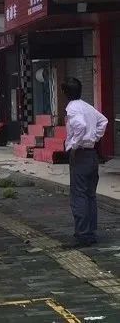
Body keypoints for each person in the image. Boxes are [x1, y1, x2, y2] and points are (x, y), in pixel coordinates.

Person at [62, 77, 108, 247]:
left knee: (79, 195)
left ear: (65, 92)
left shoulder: (72, 108)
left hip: (80, 154)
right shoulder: (87, 107)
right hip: (91, 153)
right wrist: (94, 137)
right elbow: (103, 121)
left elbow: (80, 126)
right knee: (90, 195)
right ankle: (90, 232)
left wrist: (74, 144)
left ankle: (82, 234)